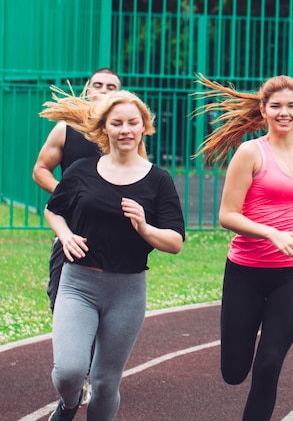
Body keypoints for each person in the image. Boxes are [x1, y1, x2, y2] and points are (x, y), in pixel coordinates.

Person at [193, 74, 293, 421]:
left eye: (291, 106)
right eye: (276, 106)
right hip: (246, 270)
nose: (283, 112)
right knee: (234, 371)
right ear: (263, 110)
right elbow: (227, 215)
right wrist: (271, 233)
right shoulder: (250, 153)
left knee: (270, 362)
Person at [40, 89, 185, 421]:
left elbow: (175, 241)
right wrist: (65, 235)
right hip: (78, 284)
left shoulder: (158, 180)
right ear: (104, 128)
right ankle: (68, 401)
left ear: (144, 127)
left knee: (106, 384)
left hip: (127, 291)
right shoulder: (81, 170)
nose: (125, 130)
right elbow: (54, 210)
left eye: (133, 123)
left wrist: (146, 229)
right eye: (117, 123)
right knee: (69, 372)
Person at [33, 68, 122, 312]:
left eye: (111, 87)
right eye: (98, 85)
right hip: (70, 230)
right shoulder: (66, 129)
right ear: (87, 89)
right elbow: (40, 169)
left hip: (113, 234)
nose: (103, 91)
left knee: (110, 311)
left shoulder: (126, 134)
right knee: (63, 303)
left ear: (119, 93)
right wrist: (69, 196)